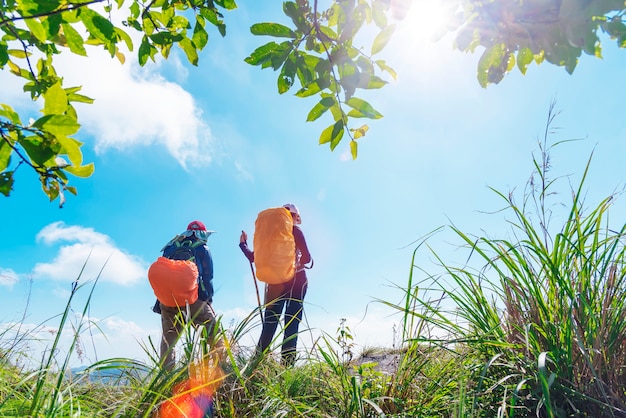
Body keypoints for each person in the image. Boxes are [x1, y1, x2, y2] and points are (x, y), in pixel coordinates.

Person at [239, 203, 312, 366]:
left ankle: (256, 364)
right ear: (294, 217)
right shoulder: (295, 231)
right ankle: (286, 366)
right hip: (297, 280)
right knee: (292, 323)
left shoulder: (269, 237)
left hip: (275, 283)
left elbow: (253, 258)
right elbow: (307, 258)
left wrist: (243, 244)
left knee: (270, 323)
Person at [155, 220, 219, 371]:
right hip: (192, 298)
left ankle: (166, 379)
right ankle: (223, 372)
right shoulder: (202, 248)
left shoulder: (171, 246)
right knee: (214, 334)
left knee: (168, 342)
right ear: (202, 234)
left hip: (168, 301)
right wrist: (207, 301)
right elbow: (208, 277)